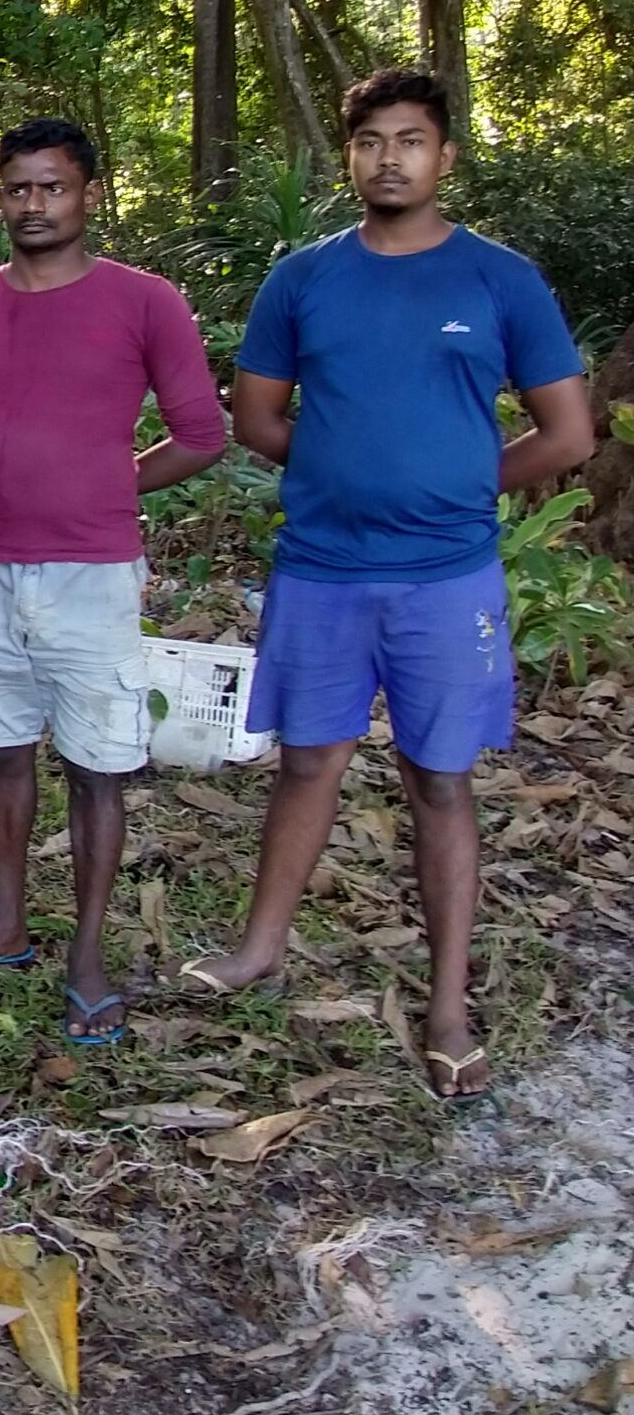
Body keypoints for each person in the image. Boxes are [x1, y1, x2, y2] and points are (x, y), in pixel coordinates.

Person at [187, 68, 593, 1100]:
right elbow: (256, 418)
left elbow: (567, 434)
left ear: (443, 156)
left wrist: (455, 483)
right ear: (348, 156)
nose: (388, 159)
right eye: (370, 141)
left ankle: (448, 1004)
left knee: (438, 780)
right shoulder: (304, 279)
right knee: (307, 765)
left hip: (445, 582)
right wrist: (338, 473)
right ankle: (259, 949)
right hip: (322, 571)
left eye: (410, 140)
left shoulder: (499, 281)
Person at [0, 117, 228, 1043]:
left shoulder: (145, 303)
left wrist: (103, 482)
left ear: (90, 194)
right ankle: (7, 921)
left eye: (52, 187)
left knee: (97, 768)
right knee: (2, 749)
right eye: (17, 188)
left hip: (92, 574)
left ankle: (86, 957)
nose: (33, 204)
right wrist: (12, 483)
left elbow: (203, 434)